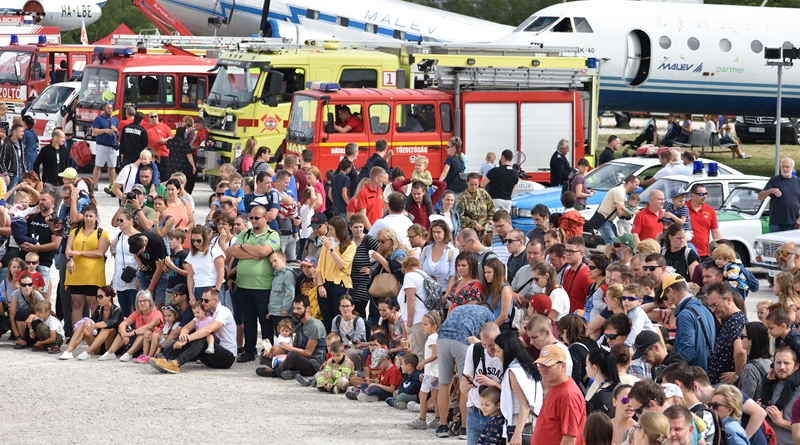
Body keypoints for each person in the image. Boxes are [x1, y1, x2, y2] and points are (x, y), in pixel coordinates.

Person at [435, 303, 496, 438]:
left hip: (442, 338)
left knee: (444, 384)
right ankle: (464, 428)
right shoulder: (488, 314)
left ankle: (442, 426)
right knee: (467, 383)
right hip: (462, 340)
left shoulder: (461, 307)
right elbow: (491, 337)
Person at [229, 205, 280, 363]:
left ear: (266, 218)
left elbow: (263, 253)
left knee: (265, 322)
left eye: (256, 218)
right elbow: (233, 251)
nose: (253, 220)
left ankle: (266, 350)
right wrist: (253, 252)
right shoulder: (245, 233)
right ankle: (250, 351)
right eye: (251, 218)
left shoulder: (272, 235)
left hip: (263, 286)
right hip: (243, 285)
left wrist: (244, 247)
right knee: (249, 320)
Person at [150, 288, 237, 372]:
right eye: (202, 299)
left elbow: (208, 330)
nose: (203, 303)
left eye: (206, 301)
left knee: (202, 336)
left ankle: (176, 363)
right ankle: (166, 359)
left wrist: (187, 340)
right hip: (210, 355)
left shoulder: (224, 312)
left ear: (216, 301)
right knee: (193, 335)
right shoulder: (205, 312)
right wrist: (183, 335)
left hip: (226, 358)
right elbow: (187, 327)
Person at [256, 295, 327, 380]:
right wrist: (275, 351)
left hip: (313, 364)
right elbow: (294, 346)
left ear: (307, 309)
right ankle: (292, 372)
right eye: (294, 308)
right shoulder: (300, 325)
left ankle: (275, 372)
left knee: (293, 355)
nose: (295, 311)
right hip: (299, 359)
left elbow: (308, 353)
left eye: (299, 308)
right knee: (265, 354)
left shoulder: (315, 325)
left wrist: (284, 350)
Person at [493, 329, 543, 445]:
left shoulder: (514, 371)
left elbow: (525, 403)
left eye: (498, 351)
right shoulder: (527, 367)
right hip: (532, 419)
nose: (496, 355)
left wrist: (517, 433)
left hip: (521, 421)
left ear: (507, 351)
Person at [64, 205, 110, 330]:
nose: (88, 219)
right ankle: (77, 332)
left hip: (93, 273)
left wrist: (79, 253)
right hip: (76, 272)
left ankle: (92, 331)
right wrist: (70, 258)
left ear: (96, 217)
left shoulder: (101, 233)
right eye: (86, 216)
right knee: (77, 304)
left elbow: (100, 252)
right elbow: (68, 248)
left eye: (91, 216)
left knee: (93, 303)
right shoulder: (75, 231)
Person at [532, 343, 586, 445]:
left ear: (562, 366)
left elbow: (569, 440)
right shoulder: (555, 386)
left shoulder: (568, 394)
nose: (543, 369)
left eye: (548, 365)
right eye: (540, 365)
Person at [59, 286, 122, 360]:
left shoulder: (118, 310)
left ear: (109, 297)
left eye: (101, 296)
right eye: (97, 296)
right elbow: (92, 321)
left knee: (107, 328)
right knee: (82, 325)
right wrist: (88, 321)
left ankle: (88, 352)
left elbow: (112, 322)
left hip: (111, 347)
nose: (98, 299)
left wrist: (96, 325)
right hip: (98, 346)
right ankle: (68, 351)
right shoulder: (99, 308)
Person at [315, 215, 355, 332]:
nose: (329, 232)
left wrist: (330, 249)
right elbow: (320, 265)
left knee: (340, 319)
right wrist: (320, 285)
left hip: (340, 284)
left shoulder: (350, 245)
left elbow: (342, 264)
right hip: (325, 284)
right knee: (327, 319)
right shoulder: (327, 241)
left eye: (332, 229)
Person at [99, 289, 164, 361]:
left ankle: (129, 353)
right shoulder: (137, 313)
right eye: (140, 301)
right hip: (140, 343)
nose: (142, 303)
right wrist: (124, 334)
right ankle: (110, 352)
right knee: (125, 330)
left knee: (142, 332)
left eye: (145, 301)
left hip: (151, 341)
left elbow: (149, 326)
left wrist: (131, 333)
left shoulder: (157, 313)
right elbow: (123, 323)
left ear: (150, 302)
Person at [705, 282, 747, 385]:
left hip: (724, 385)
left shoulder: (735, 321)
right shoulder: (732, 319)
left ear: (728, 300)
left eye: (715, 305)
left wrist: (737, 375)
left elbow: (741, 350)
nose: (713, 310)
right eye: (710, 306)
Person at [408, 311, 441, 429]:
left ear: (434, 326)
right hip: (436, 372)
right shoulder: (437, 337)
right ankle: (437, 418)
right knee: (435, 395)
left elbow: (435, 354)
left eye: (425, 324)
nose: (423, 327)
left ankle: (422, 419)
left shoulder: (432, 338)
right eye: (422, 324)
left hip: (431, 372)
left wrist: (423, 362)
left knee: (422, 395)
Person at [595, 175, 640, 244]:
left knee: (616, 244)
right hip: (605, 220)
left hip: (608, 220)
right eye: (636, 185)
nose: (638, 187)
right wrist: (632, 214)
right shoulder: (620, 192)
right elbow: (621, 213)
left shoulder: (621, 191)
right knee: (613, 245)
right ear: (630, 183)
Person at [185, 224, 225, 303]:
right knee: (201, 314)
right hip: (198, 287)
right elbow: (190, 275)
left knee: (216, 313)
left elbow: (221, 272)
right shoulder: (192, 253)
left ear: (204, 238)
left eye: (198, 240)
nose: (196, 243)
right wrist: (191, 294)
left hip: (213, 286)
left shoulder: (214, 250)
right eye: (193, 240)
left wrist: (216, 291)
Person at [759, 158, 800, 232]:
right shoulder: (774, 180)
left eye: (787, 167)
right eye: (783, 167)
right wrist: (770, 190)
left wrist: (799, 220)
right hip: (776, 224)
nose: (785, 169)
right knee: (775, 243)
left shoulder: (798, 182)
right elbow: (760, 197)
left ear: (793, 168)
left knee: (791, 244)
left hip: (793, 224)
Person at [9, 270, 45, 348]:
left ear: (32, 285)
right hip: (23, 326)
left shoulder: (37, 295)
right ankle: (22, 339)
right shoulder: (16, 294)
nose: (27, 287)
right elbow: (11, 317)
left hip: (34, 325)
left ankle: (36, 339)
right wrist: (17, 337)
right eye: (24, 285)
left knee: (37, 320)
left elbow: (46, 313)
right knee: (21, 312)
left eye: (29, 284)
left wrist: (32, 316)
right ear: (19, 285)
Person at [738, 321, 772, 399]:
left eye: (743, 336)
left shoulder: (749, 369)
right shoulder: (770, 362)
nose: (740, 338)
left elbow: (746, 399)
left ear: (751, 341)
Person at [688, 183, 721, 260]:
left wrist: (721, 249)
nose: (705, 196)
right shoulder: (683, 209)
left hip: (704, 253)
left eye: (706, 194)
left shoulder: (710, 210)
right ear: (693, 195)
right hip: (687, 251)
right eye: (702, 194)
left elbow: (715, 231)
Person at [457, 173, 495, 239]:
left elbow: (492, 210)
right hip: (469, 233)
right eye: (471, 184)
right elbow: (459, 216)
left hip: (484, 232)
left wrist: (488, 223)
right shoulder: (462, 197)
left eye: (476, 184)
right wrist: (474, 224)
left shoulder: (483, 193)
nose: (474, 187)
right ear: (467, 182)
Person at [585, 348, 621, 417]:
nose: (585, 367)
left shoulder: (602, 396)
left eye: (586, 364)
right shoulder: (615, 388)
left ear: (594, 368)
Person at [90, 103, 118, 191]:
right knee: (98, 165)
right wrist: (105, 130)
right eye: (108, 108)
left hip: (113, 146)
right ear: (104, 109)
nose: (110, 110)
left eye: (111, 108)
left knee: (112, 166)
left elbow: (119, 132)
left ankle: (112, 184)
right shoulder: (98, 119)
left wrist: (115, 130)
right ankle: (95, 183)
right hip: (102, 145)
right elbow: (94, 131)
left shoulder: (115, 120)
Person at [144, 112, 172, 180]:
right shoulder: (146, 128)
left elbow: (171, 137)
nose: (154, 118)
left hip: (162, 154)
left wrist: (165, 140)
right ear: (149, 118)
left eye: (155, 116)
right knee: (151, 174)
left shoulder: (164, 127)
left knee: (164, 174)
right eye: (152, 117)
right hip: (151, 155)